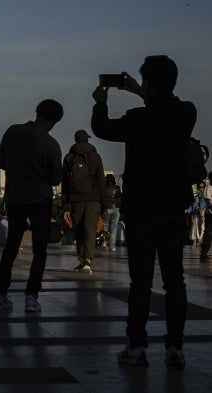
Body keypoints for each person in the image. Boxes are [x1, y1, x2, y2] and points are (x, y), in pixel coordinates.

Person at [91, 55, 195, 367]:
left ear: (148, 84)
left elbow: (102, 128)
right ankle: (175, 346)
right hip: (174, 207)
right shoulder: (186, 112)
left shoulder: (137, 118)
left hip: (141, 210)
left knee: (141, 283)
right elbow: (165, 109)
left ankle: (136, 346)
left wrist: (101, 101)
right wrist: (140, 89)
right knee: (175, 280)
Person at [0, 99, 63, 313]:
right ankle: (31, 297)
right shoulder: (51, 144)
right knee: (40, 250)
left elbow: (1, 162)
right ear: (54, 121)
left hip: (15, 197)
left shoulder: (13, 131)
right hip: (40, 198)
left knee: (11, 246)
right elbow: (56, 179)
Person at [61, 129, 107, 274]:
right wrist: (104, 206)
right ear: (87, 140)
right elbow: (101, 182)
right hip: (93, 199)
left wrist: (66, 206)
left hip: (75, 199)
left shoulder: (69, 157)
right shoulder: (96, 157)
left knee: (78, 228)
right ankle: (87, 259)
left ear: (75, 140)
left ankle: (82, 259)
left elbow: (65, 184)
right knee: (90, 229)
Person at [103, 174, 122, 251]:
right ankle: (112, 247)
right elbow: (120, 198)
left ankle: (104, 242)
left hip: (107, 208)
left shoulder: (104, 188)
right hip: (116, 208)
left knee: (106, 226)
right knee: (114, 228)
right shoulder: (117, 187)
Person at [200, 173, 212, 260]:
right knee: (208, 233)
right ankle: (203, 253)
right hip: (210, 214)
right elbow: (208, 200)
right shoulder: (208, 188)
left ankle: (204, 253)